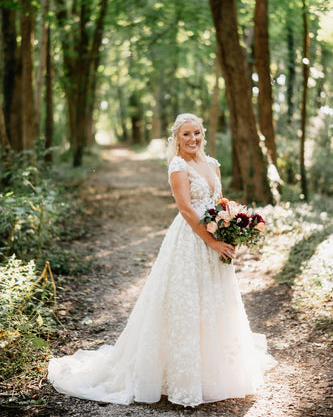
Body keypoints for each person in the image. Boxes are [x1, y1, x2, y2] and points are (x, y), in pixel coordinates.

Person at [48, 113, 276, 407]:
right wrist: (211, 240)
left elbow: (220, 203)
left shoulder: (213, 164)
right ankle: (180, 375)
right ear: (177, 139)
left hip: (216, 240)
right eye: (186, 135)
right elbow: (185, 208)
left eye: (196, 133)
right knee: (185, 302)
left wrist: (232, 227)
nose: (192, 139)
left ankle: (217, 370)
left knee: (215, 301)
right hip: (190, 241)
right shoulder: (178, 166)